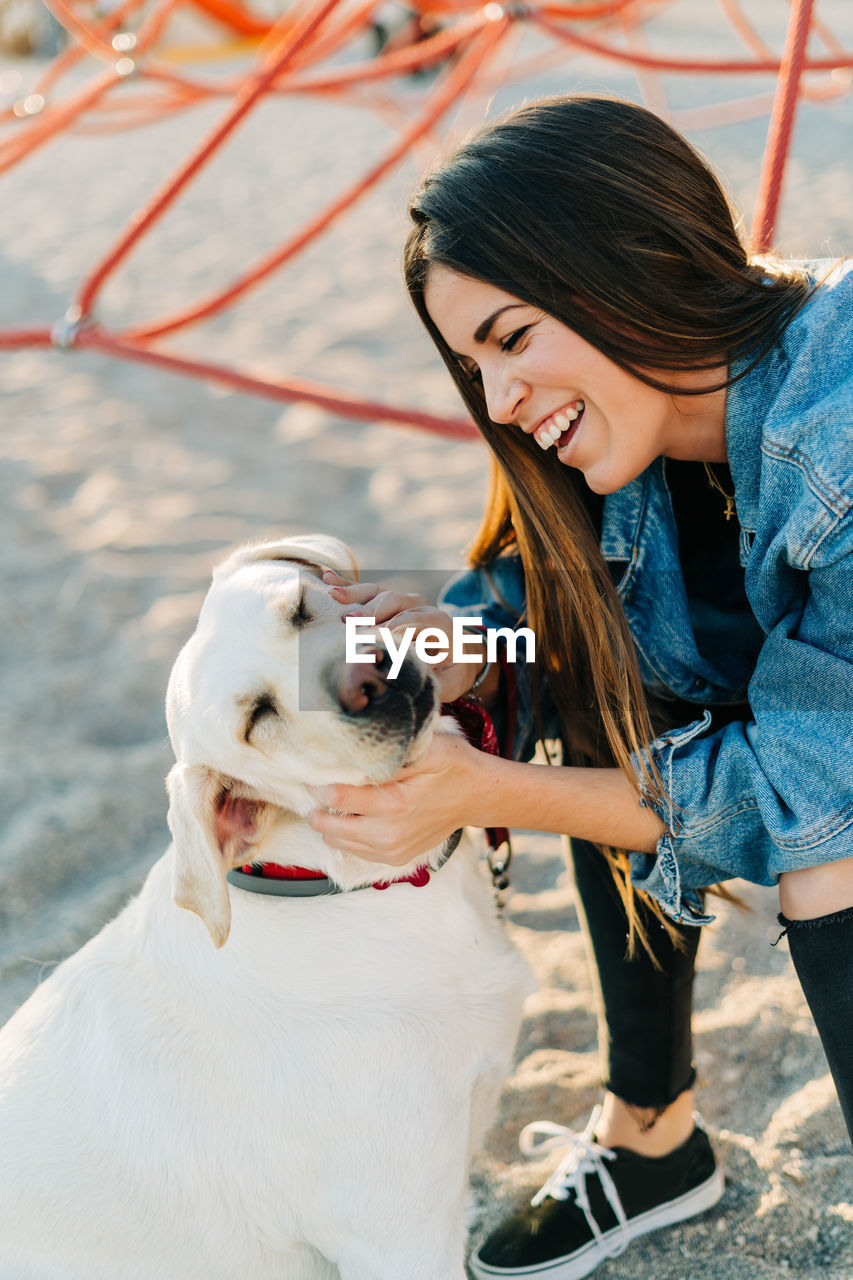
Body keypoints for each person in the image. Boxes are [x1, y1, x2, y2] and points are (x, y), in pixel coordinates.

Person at [307, 94, 853, 1280]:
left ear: (625, 264)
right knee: (589, 665)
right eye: (471, 365)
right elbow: (528, 600)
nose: (498, 403)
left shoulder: (839, 426)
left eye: (511, 338)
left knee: (833, 853)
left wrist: (487, 786)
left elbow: (811, 782)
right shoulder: (636, 421)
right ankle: (650, 1135)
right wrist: (446, 652)